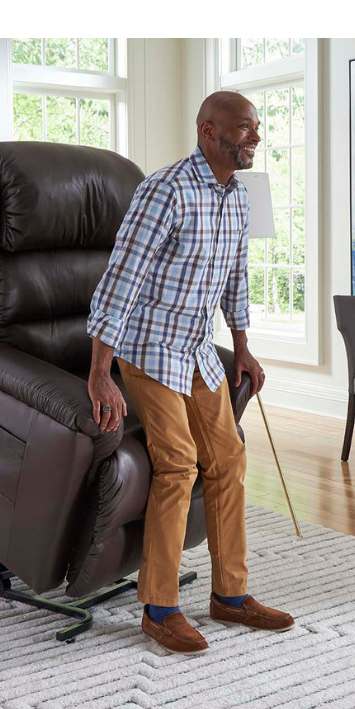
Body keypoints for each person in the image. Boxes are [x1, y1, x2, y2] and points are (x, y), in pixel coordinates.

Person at [85, 91, 295, 655]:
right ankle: (159, 606)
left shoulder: (239, 197)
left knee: (229, 457)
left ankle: (230, 594)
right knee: (176, 463)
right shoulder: (165, 190)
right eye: (244, 128)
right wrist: (100, 371)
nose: (254, 138)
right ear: (208, 131)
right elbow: (120, 280)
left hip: (198, 349)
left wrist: (243, 347)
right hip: (149, 349)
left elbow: (237, 277)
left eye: (255, 129)